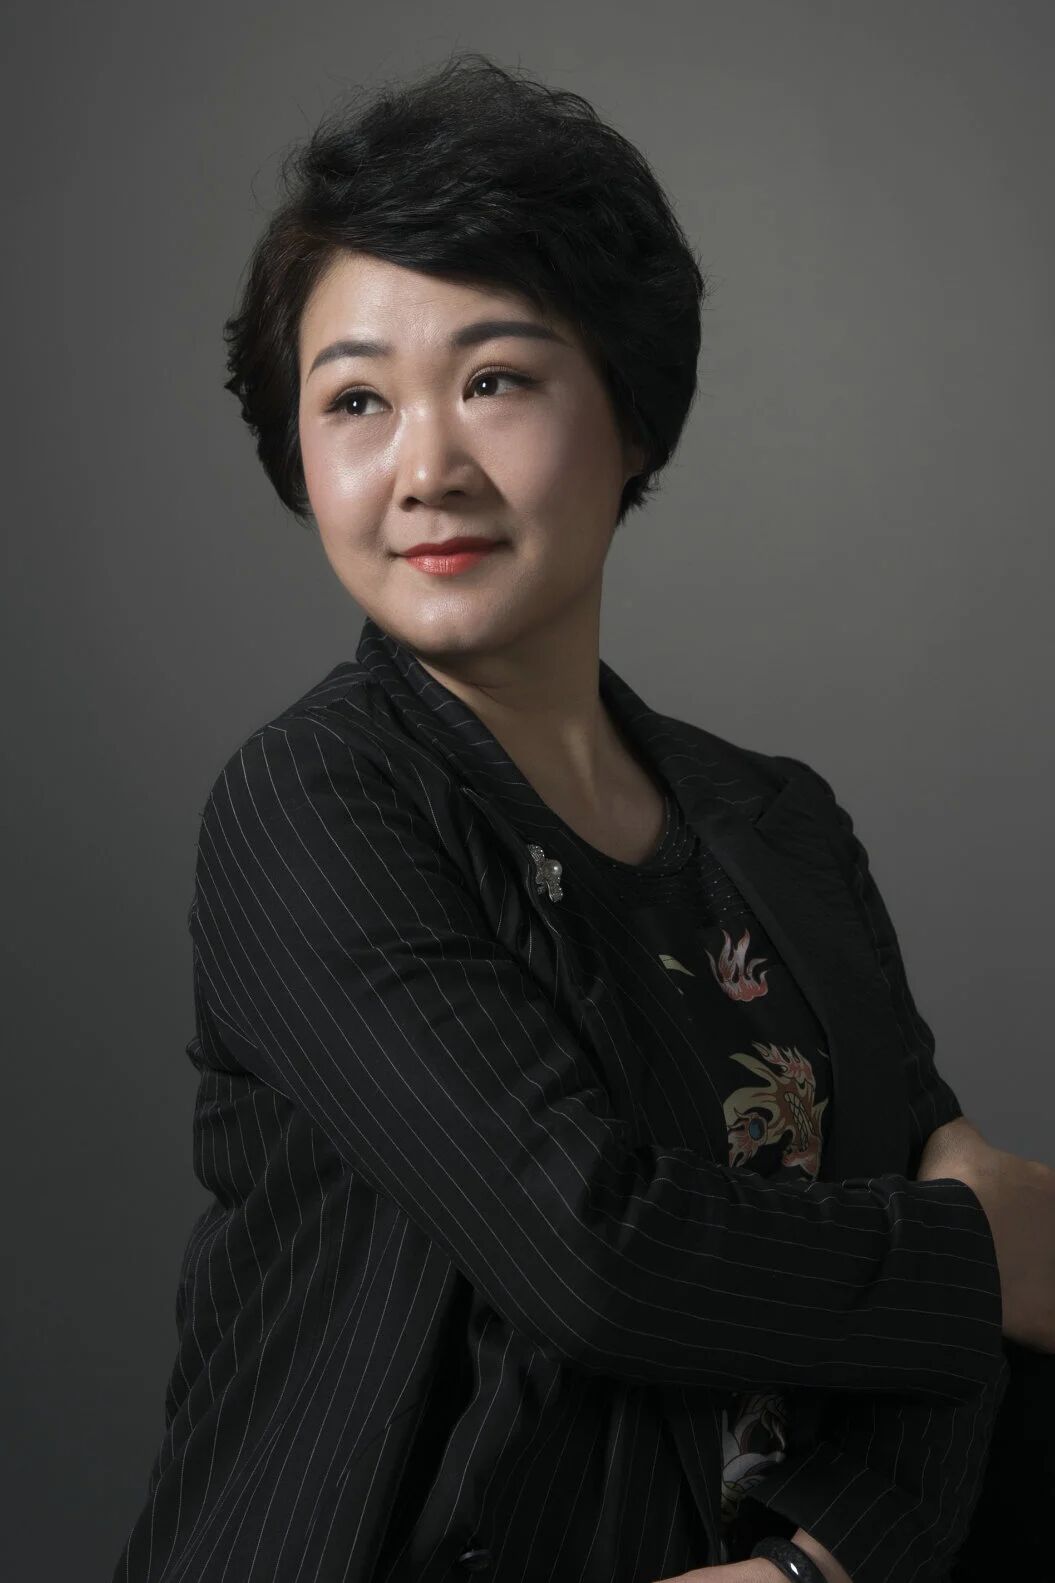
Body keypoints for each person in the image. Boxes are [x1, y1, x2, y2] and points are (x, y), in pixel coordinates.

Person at [112, 50, 1055, 1583]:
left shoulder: (782, 825)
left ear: (633, 417)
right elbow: (595, 1249)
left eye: (494, 379)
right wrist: (987, 1251)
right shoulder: (313, 803)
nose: (426, 468)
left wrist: (824, 1562)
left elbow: (948, 1288)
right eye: (354, 400)